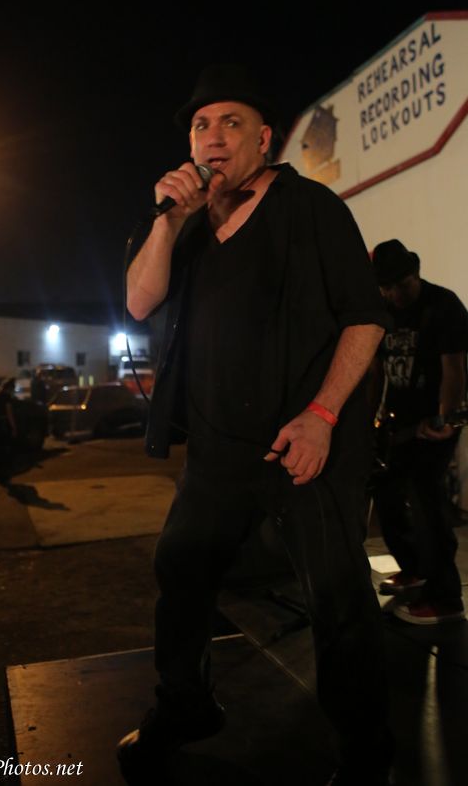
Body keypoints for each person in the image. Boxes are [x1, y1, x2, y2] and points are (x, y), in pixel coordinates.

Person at [117, 64, 394, 786]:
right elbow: (140, 302)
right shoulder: (183, 228)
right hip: (217, 452)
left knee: (337, 597)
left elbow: (365, 318)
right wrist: (167, 220)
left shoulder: (311, 208)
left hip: (305, 446)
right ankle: (184, 706)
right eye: (200, 125)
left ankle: (366, 749)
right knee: (181, 573)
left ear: (264, 139)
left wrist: (322, 416)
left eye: (230, 123)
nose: (212, 136)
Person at [370, 239, 468, 624]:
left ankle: (446, 599)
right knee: (387, 494)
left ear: (416, 273)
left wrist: (445, 419)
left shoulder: (443, 305)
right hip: (398, 422)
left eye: (402, 284)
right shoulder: (381, 311)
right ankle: (414, 569)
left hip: (434, 421)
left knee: (426, 499)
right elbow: (376, 371)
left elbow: (453, 368)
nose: (395, 294)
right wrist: (370, 420)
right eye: (387, 287)